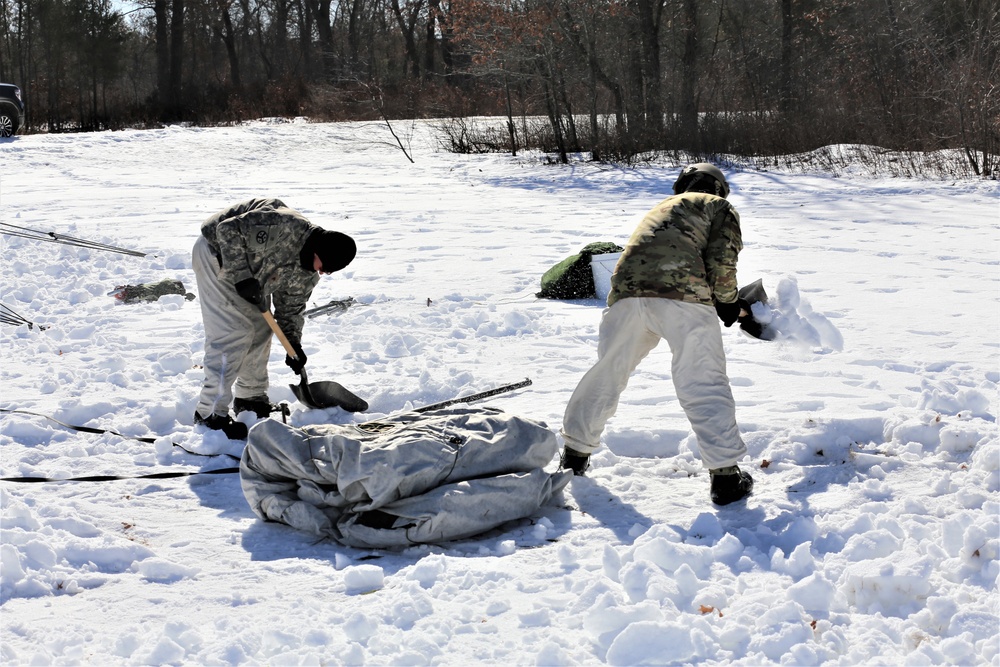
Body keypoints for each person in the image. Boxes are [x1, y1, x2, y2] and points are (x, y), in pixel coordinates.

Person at [559, 163, 754, 506]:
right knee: (702, 379)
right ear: (719, 187)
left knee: (608, 373)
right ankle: (725, 477)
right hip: (683, 297)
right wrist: (728, 303)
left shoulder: (660, 209)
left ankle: (573, 457)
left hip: (626, 296)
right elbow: (722, 259)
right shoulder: (718, 206)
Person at [192, 198, 356, 440]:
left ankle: (250, 398)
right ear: (318, 250)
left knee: (260, 330)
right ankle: (209, 414)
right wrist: (242, 276)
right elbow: (226, 230)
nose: (323, 273)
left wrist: (294, 344)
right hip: (216, 255)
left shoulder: (307, 272)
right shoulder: (285, 226)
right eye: (326, 266)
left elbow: (291, 308)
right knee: (233, 333)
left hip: (252, 274)